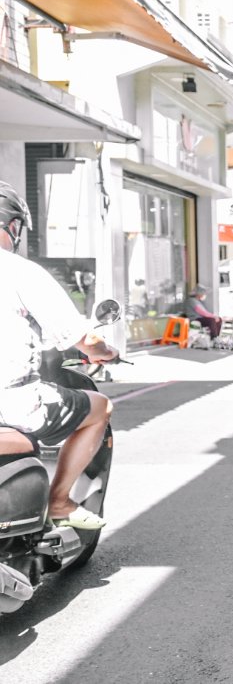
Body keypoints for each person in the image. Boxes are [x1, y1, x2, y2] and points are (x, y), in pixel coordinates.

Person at [0, 182, 118, 529]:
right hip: (14, 400)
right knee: (100, 408)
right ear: (12, 226)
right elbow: (82, 337)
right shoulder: (19, 270)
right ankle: (61, 501)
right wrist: (105, 351)